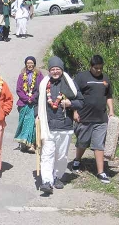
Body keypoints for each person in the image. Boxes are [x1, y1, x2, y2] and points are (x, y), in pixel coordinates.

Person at [37, 56, 84, 194]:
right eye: (52, 69)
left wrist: (70, 104)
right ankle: (46, 181)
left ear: (62, 70)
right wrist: (36, 116)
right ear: (49, 71)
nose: (55, 71)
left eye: (58, 69)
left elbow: (81, 101)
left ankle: (58, 176)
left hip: (65, 126)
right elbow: (37, 101)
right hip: (48, 126)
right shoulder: (44, 84)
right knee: (47, 154)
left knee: (62, 155)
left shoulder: (70, 84)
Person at [72, 55, 115, 184]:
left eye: (101, 68)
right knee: (82, 141)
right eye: (96, 68)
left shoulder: (105, 78)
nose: (98, 71)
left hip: (101, 118)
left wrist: (111, 111)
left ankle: (101, 172)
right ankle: (77, 160)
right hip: (84, 117)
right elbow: (73, 95)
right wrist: (74, 111)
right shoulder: (81, 77)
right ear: (90, 66)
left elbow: (109, 96)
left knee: (99, 144)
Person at [14, 56, 44, 153]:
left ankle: (31, 143)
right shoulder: (21, 75)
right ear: (25, 64)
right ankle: (23, 142)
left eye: (31, 63)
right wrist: (27, 98)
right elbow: (18, 89)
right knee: (23, 122)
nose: (30, 65)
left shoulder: (39, 75)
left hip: (34, 103)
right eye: (28, 63)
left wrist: (33, 98)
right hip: (23, 103)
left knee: (32, 123)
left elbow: (41, 88)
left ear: (34, 64)